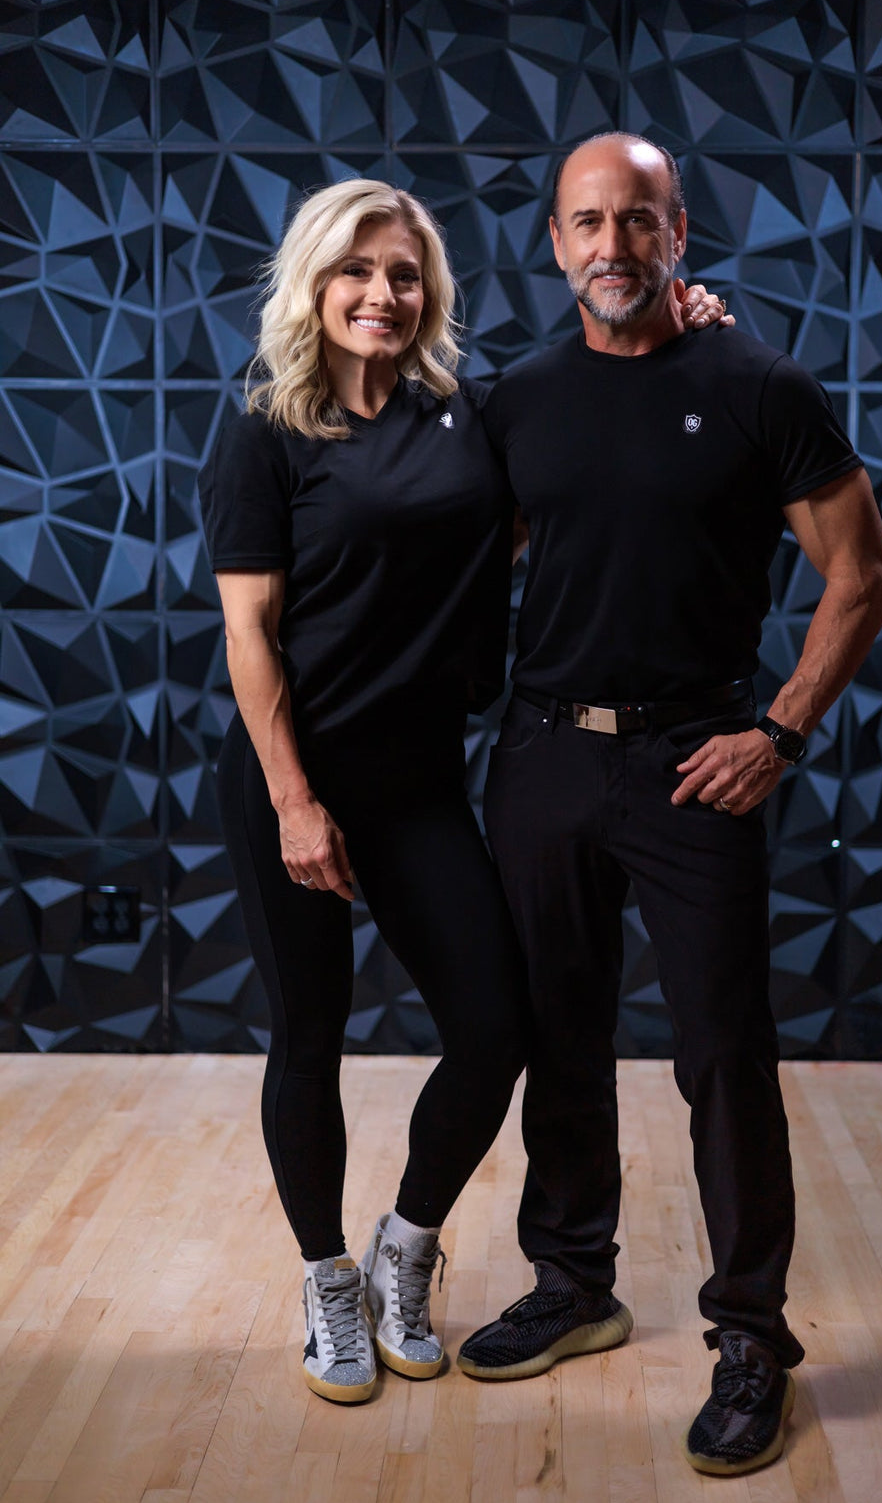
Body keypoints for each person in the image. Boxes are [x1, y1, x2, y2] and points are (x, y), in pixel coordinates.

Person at [198, 176, 729, 1406]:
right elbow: (251, 636)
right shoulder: (265, 427)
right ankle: (329, 1278)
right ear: (314, 282)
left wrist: (684, 317)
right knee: (309, 1037)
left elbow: (589, 422)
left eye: (402, 273)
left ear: (427, 288)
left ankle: (406, 1248)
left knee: (498, 1028)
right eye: (355, 271)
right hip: (297, 781)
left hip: (423, 780)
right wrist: (292, 802)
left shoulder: (467, 413)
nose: (380, 294)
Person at [456, 134, 882, 1479]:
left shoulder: (762, 386)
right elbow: (463, 559)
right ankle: (576, 1280)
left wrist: (778, 732)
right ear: (553, 243)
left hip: (696, 763)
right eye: (588, 223)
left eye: (638, 222)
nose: (613, 248)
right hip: (540, 759)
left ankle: (752, 1335)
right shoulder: (515, 401)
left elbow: (860, 575)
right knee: (558, 1033)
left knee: (722, 1056)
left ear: (680, 233)